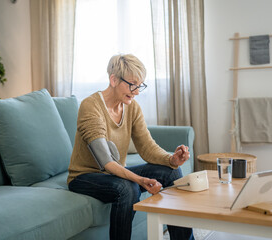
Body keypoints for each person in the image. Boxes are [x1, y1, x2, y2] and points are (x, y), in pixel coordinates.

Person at [67, 54, 194, 240]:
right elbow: (106, 162)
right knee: (128, 188)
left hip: (114, 173)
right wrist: (141, 180)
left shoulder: (132, 108)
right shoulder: (91, 106)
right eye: (132, 84)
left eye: (140, 85)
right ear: (113, 80)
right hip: (84, 177)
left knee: (171, 172)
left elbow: (147, 147)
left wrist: (171, 159)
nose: (136, 91)